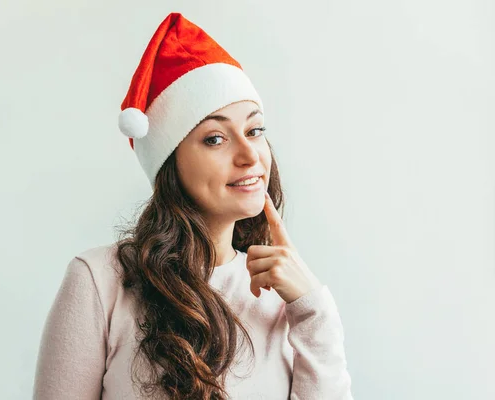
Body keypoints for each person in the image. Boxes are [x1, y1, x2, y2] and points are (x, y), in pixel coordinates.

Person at [33, 12, 354, 400]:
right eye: (216, 139)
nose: (250, 154)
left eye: (254, 130)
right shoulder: (102, 281)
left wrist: (314, 309)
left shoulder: (281, 296)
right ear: (170, 163)